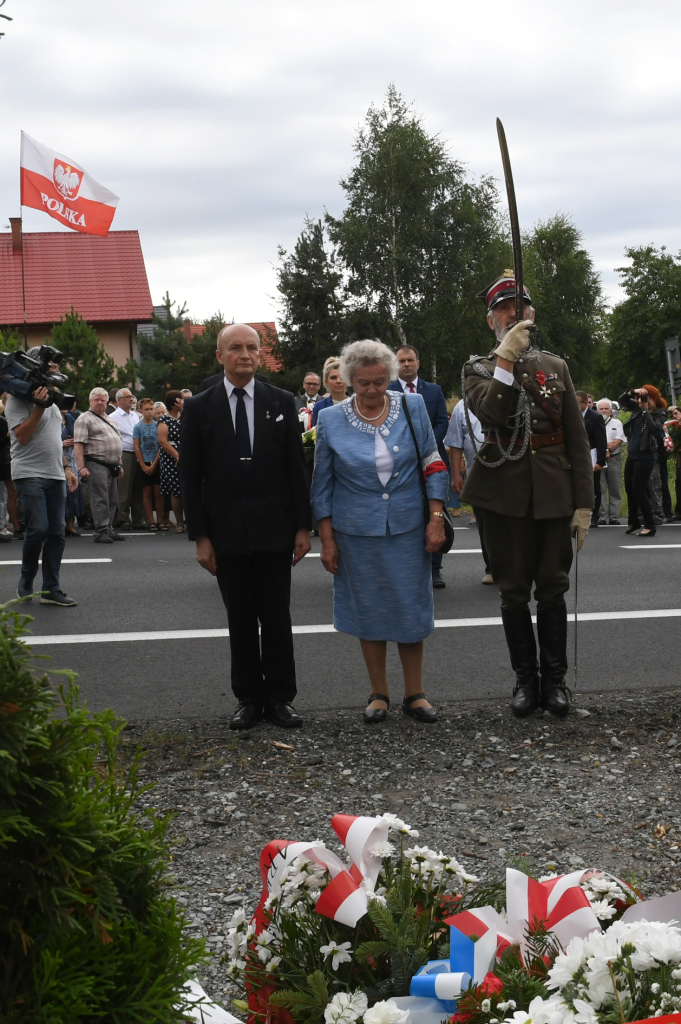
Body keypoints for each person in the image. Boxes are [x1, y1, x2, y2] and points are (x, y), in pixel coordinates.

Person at [461, 271, 593, 718]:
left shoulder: (555, 367)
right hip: (503, 495)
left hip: (555, 490)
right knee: (514, 592)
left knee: (553, 588)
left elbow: (575, 435)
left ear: (531, 315)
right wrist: (505, 361)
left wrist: (585, 502)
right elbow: (494, 414)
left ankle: (555, 684)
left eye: (518, 309)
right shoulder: (477, 368)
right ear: (490, 320)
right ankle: (525, 682)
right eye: (503, 310)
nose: (511, 315)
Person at [180, 323, 311, 731]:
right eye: (236, 348)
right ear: (219, 356)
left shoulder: (281, 401)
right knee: (239, 617)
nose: (245, 355)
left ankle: (280, 698)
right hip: (226, 531)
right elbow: (191, 477)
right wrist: (201, 536)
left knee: (276, 616)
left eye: (252, 348)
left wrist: (302, 528)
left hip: (274, 527)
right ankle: (249, 699)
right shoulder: (199, 407)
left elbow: (296, 468)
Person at [312, 339, 449, 725]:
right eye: (363, 383)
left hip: (408, 526)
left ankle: (415, 694)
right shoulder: (331, 419)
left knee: (410, 608)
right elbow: (322, 485)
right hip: (354, 530)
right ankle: (378, 694)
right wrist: (327, 540)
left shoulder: (413, 406)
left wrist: (436, 517)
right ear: (348, 380)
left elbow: (433, 461)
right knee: (368, 609)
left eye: (378, 382)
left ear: (389, 377)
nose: (372, 390)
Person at [4, 359, 79, 605]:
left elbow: (53, 440)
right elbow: (23, 436)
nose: (58, 373)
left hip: (55, 474)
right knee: (38, 528)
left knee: (56, 532)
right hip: (28, 472)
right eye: (53, 370)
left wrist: (67, 469)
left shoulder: (55, 404)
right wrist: (38, 406)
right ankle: (26, 581)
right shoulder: (16, 401)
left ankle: (50, 589)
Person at [389, 345, 450, 589]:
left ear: (418, 362)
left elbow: (441, 423)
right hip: (400, 464)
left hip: (431, 463)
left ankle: (435, 569)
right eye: (401, 360)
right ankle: (404, 568)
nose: (406, 364)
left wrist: (424, 448)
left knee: (434, 515)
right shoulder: (388, 389)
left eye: (410, 360)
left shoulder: (433, 390)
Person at [444, 399, 493, 584]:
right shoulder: (462, 406)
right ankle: (492, 567)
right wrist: (456, 474)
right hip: (477, 474)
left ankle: (516, 567)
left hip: (510, 475)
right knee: (484, 523)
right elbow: (456, 443)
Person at [74, 388, 125, 544]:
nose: (100, 402)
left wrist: (120, 463)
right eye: (96, 399)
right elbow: (78, 444)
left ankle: (108, 528)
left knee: (112, 499)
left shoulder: (110, 419)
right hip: (96, 463)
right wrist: (81, 467)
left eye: (103, 400)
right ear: (90, 401)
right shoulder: (84, 419)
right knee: (100, 499)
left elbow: (118, 442)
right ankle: (101, 531)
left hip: (112, 464)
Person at [619, 387, 665, 537]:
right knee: (630, 489)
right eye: (640, 398)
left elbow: (655, 430)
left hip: (646, 456)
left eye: (646, 398)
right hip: (633, 454)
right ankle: (634, 521)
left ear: (655, 399)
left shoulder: (660, 413)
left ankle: (650, 525)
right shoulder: (637, 408)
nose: (641, 401)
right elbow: (623, 400)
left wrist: (645, 411)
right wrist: (632, 391)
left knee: (639, 491)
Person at [109, 388, 145, 531]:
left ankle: (138, 519)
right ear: (119, 400)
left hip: (137, 454)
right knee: (124, 489)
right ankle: (123, 519)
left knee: (138, 488)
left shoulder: (135, 415)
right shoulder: (113, 417)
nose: (131, 399)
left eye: (132, 396)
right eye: (128, 397)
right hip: (124, 454)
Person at [575, 391, 607, 528]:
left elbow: (601, 441)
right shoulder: (571, 416)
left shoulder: (595, 417)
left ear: (584, 403)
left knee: (594, 487)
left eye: (578, 403)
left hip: (592, 455)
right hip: (576, 456)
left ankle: (594, 517)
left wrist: (600, 461)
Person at [133, 398, 165, 531]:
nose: (149, 412)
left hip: (156, 462)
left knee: (158, 491)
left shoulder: (158, 425)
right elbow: (137, 447)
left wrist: (155, 463)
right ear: (140, 410)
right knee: (146, 492)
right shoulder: (138, 427)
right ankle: (150, 520)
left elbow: (160, 446)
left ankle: (160, 520)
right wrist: (143, 465)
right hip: (144, 461)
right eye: (146, 409)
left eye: (151, 409)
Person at [158, 391, 185, 532]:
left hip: (187, 453)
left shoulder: (185, 416)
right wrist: (177, 455)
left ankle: (191, 520)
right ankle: (180, 522)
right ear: (175, 402)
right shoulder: (164, 420)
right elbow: (163, 441)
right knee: (176, 490)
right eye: (181, 400)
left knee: (190, 487)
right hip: (171, 458)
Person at [596, 399, 626, 524]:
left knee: (614, 488)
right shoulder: (594, 423)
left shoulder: (617, 423)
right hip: (599, 460)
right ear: (597, 410)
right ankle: (602, 517)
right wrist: (604, 448)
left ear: (611, 410)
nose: (604, 411)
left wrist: (607, 448)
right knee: (601, 489)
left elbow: (619, 439)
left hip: (614, 458)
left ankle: (614, 517)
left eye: (606, 408)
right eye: (601, 409)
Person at [61, 405, 84, 537]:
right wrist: (61, 443)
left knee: (74, 490)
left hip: (72, 457)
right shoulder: (51, 418)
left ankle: (70, 525)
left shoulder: (71, 418)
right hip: (59, 457)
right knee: (61, 491)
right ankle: (59, 524)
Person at [311, 358, 349, 425]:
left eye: (342, 377)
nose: (338, 381)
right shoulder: (319, 407)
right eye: (333, 378)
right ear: (326, 381)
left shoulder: (359, 404)